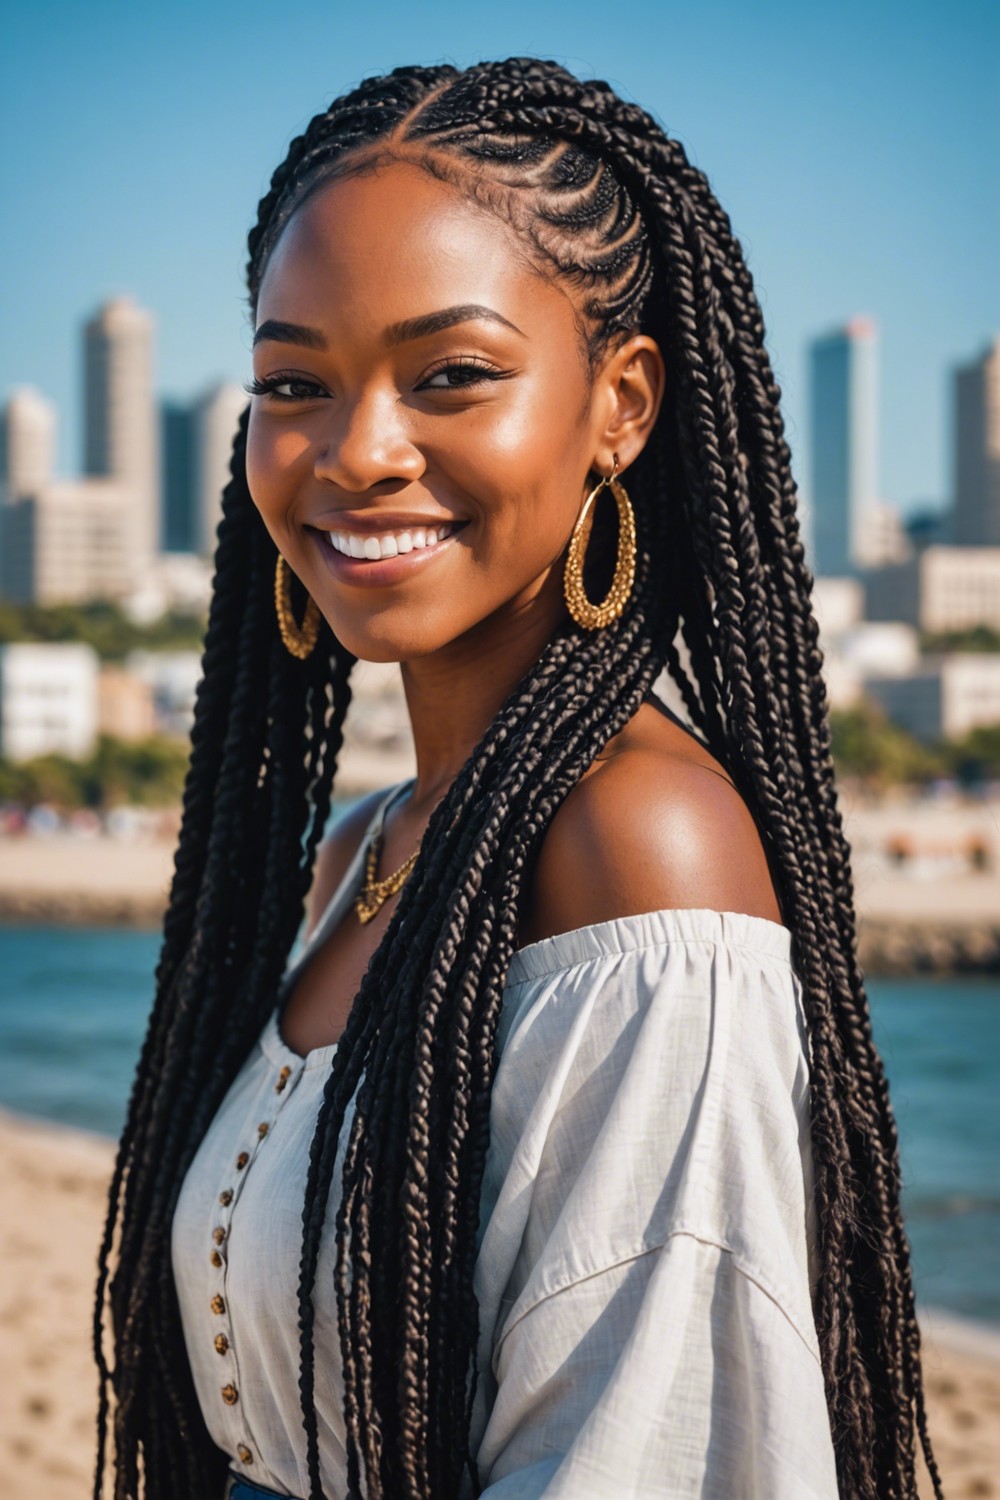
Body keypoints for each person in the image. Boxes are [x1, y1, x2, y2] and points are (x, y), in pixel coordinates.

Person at [93, 58, 942, 1500]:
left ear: (619, 403)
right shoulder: (362, 846)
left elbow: (648, 1453)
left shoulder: (642, 846)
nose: (355, 451)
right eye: (295, 382)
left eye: (453, 376)